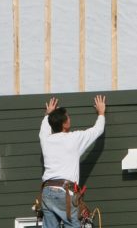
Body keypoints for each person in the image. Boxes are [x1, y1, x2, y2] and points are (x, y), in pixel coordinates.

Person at [39, 95, 106, 228]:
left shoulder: (45, 139)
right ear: (64, 124)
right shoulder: (74, 139)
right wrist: (101, 113)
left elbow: (45, 127)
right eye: (68, 117)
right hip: (64, 193)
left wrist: (49, 114)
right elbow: (97, 130)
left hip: (46, 192)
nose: (70, 118)